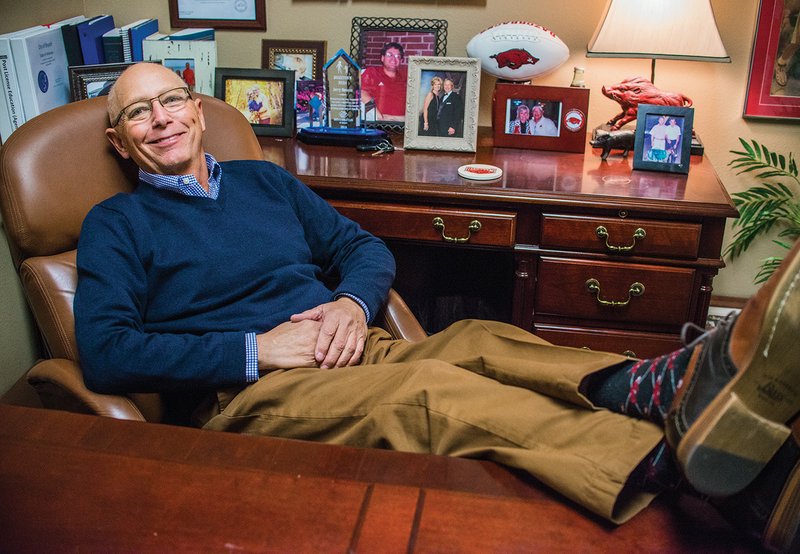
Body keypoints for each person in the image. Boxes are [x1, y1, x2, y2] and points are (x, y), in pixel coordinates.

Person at [75, 62, 799, 552]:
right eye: (138, 113)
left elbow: (363, 250)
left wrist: (355, 306)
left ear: (199, 113)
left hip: (351, 346)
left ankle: (657, 386)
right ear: (119, 140)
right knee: (432, 393)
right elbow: (106, 352)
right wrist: (255, 351)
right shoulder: (116, 224)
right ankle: (679, 461)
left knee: (478, 338)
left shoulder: (265, 183)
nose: (161, 119)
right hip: (252, 393)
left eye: (171, 100)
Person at [359, 42, 407, 122]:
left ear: (401, 60)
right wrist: (377, 115)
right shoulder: (372, 72)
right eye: (389, 55)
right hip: (379, 123)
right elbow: (361, 92)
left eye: (397, 56)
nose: (393, 59)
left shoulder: (406, 76)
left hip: (402, 124)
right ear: (382, 58)